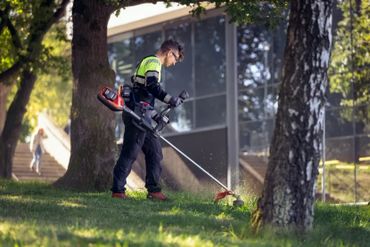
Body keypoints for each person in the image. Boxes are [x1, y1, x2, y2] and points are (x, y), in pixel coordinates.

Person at [111, 39, 184, 201]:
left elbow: (143, 96)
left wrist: (156, 115)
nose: (174, 63)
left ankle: (154, 191)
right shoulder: (153, 62)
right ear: (169, 53)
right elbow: (152, 86)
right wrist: (169, 99)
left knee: (155, 152)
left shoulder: (149, 62)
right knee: (129, 153)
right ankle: (117, 191)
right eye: (175, 58)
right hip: (136, 117)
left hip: (142, 115)